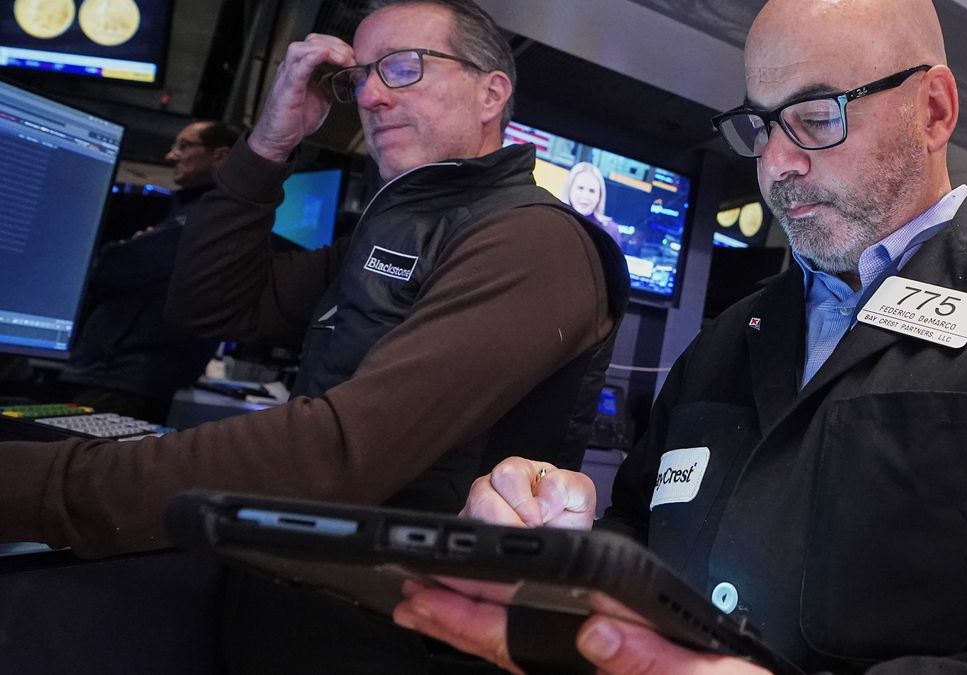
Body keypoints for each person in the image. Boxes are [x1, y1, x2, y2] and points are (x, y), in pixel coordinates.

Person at [392, 0, 967, 672]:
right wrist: (561, 548)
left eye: (814, 117)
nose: (776, 162)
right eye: (758, 126)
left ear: (934, 109)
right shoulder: (729, 338)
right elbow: (638, 544)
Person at [0, 0, 627, 671]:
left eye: (403, 68)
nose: (373, 96)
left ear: (491, 91)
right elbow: (209, 302)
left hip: (396, 639)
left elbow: (338, 451)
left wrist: (37, 485)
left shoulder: (534, 241)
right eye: (360, 77)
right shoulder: (390, 233)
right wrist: (270, 142)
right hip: (295, 607)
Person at [54, 120, 238, 423]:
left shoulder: (207, 217)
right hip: (122, 378)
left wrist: (115, 252)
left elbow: (112, 266)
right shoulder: (192, 213)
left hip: (122, 380)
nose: (170, 156)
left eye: (183, 146)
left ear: (220, 156)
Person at [562, 160, 622, 244]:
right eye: (580, 188)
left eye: (592, 191)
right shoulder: (555, 219)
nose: (585, 196)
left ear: (600, 196)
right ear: (569, 190)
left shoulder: (610, 231)